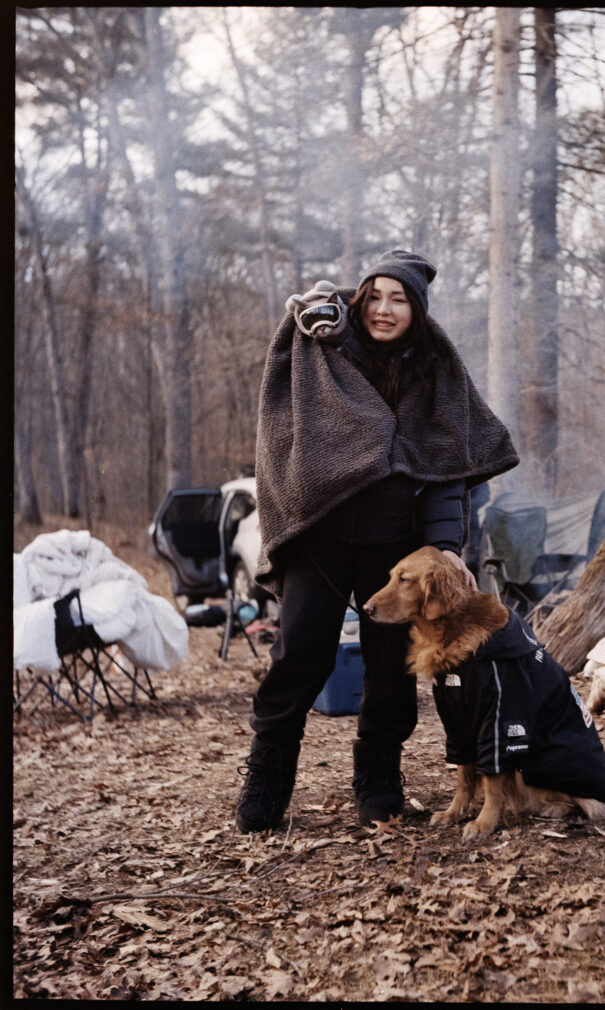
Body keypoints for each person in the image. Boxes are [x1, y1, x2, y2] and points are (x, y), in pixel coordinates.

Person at [236, 249, 518, 833]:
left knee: (390, 670)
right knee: (298, 657)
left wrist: (444, 546)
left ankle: (378, 786)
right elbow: (283, 436)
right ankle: (265, 786)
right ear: (361, 298)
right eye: (377, 296)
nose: (385, 310)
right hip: (320, 534)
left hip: (396, 545)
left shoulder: (434, 370)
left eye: (400, 300)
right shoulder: (324, 348)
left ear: (416, 310)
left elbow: (447, 471)